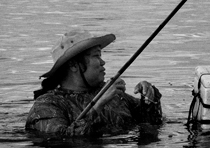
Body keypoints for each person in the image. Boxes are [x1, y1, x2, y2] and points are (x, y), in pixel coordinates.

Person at [26, 28, 163, 137]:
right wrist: (99, 104)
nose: (103, 62)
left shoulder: (111, 93)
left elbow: (152, 121)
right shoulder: (47, 104)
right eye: (97, 56)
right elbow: (63, 138)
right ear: (74, 65)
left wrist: (149, 98)